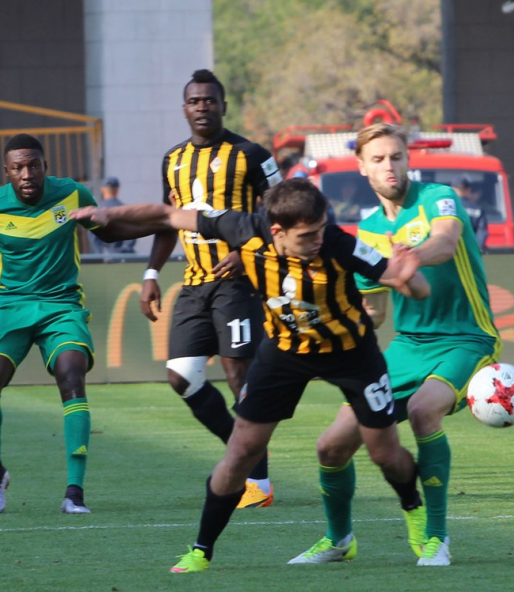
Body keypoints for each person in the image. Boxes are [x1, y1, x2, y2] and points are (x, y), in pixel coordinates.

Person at [70, 177, 432, 573]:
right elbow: (168, 213)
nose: (318, 239)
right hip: (284, 352)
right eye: (307, 235)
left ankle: (414, 509)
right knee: (241, 451)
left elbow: (414, 288)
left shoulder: (340, 243)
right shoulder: (241, 228)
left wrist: (409, 274)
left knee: (384, 452)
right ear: (276, 231)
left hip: (351, 353)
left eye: (321, 229)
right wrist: (108, 213)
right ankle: (201, 550)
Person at [291, 123, 501, 567]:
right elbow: (376, 311)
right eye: (380, 159)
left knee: (425, 411)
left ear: (409, 160)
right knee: (331, 445)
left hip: (467, 337)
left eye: (397, 156)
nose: (391, 165)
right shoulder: (366, 230)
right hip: (408, 346)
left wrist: (407, 259)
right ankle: (338, 540)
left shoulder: (438, 197)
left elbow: (445, 243)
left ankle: (436, 539)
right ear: (363, 168)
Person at [0, 133, 148, 515]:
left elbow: (108, 230)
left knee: (71, 372)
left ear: (45, 166)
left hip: (61, 305)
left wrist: (158, 224)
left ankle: (74, 493)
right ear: (7, 172)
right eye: (18, 168)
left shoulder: (73, 195)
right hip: (11, 307)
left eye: (33, 164)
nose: (27, 173)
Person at [140, 69, 282, 509]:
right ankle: (244, 450)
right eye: (194, 101)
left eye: (209, 100)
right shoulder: (173, 160)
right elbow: (168, 222)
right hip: (194, 283)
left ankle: (257, 481)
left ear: (223, 105)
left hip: (240, 283)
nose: (202, 106)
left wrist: (246, 252)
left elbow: (284, 210)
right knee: (181, 376)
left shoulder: (252, 155)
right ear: (185, 108)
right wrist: (150, 274)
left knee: (237, 372)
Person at [89, 176, 137, 254]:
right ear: (117, 189)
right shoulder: (125, 209)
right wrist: (125, 250)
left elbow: (94, 238)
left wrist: (100, 254)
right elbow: (132, 234)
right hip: (124, 258)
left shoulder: (96, 211)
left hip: (105, 257)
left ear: (102, 189)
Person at [452, 175, 488, 251]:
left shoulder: (447, 208)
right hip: (470, 251)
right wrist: (476, 250)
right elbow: (481, 232)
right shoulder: (478, 210)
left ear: (453, 188)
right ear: (468, 189)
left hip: (450, 251)